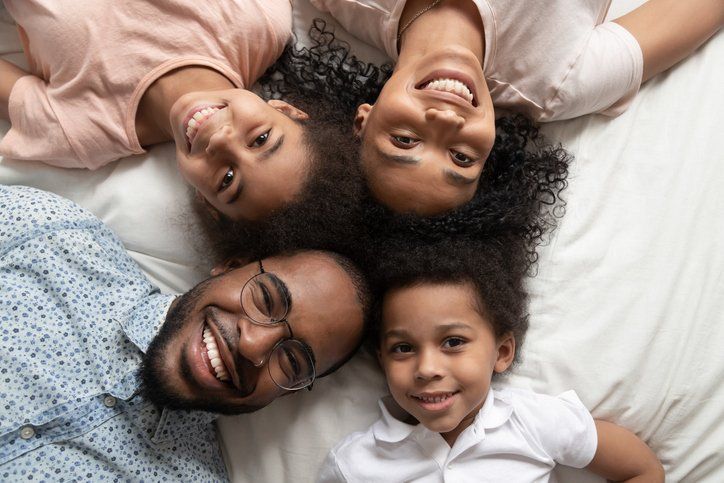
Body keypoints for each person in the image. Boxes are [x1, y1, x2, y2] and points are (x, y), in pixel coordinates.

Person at [0, 185, 369, 480]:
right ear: (229, 267)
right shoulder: (51, 237)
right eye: (266, 299)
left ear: (285, 396)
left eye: (291, 360)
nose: (254, 345)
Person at [311, 0, 724, 215]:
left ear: (363, 120)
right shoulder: (556, 82)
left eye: (404, 140)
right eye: (461, 156)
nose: (445, 121)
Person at [318, 237, 665, 482]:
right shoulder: (354, 465)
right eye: (404, 348)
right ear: (382, 361)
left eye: (453, 342)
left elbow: (642, 469)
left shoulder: (532, 422)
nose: (426, 369)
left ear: (501, 353)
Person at [0, 0, 364, 223]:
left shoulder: (81, 132)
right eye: (261, 139)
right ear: (288, 110)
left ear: (207, 204)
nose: (223, 141)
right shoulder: (259, 22)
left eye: (227, 180)